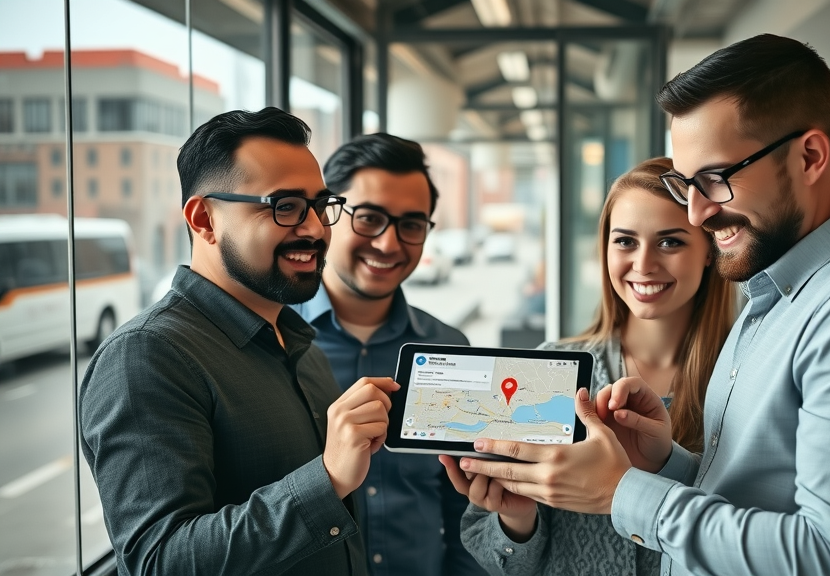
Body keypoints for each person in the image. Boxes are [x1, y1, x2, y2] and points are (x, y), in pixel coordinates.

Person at [450, 34, 830, 576]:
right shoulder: (780, 294)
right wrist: (665, 463)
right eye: (687, 185)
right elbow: (759, 496)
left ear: (810, 157)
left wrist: (622, 491)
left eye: (716, 179)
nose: (698, 213)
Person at [80, 107, 400, 575]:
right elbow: (160, 561)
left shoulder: (300, 346)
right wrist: (327, 479)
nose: (316, 228)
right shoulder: (146, 356)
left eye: (320, 205)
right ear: (204, 220)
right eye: (285, 206)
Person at [450, 157, 734, 575]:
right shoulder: (549, 368)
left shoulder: (742, 374)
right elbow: (494, 553)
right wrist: (517, 519)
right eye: (625, 241)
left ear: (709, 250)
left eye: (670, 242)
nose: (643, 264)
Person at [292, 133, 482, 576]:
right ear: (325, 215)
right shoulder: (274, 344)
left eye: (411, 225)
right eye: (370, 218)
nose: (389, 244)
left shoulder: (448, 350)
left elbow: (466, 510)